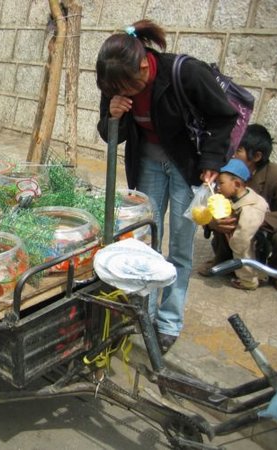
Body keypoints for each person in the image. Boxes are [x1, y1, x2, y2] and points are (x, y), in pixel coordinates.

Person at [96, 20, 239, 354]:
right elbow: (109, 134)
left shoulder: (185, 72)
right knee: (144, 241)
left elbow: (224, 116)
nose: (125, 93)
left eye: (130, 87)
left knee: (179, 247)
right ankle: (142, 316)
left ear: (145, 63)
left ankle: (169, 322)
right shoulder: (116, 82)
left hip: (187, 167)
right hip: (147, 162)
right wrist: (113, 116)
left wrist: (212, 163)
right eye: (117, 90)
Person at [199, 124, 277, 292]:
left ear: (257, 156)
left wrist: (251, 220)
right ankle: (223, 260)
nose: (233, 155)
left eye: (239, 151)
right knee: (224, 216)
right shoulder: (227, 171)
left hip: (264, 229)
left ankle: (276, 271)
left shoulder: (276, 175)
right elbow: (212, 203)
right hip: (234, 233)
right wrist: (213, 223)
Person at [214, 159, 268, 290]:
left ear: (237, 184)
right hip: (252, 236)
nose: (218, 187)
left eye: (221, 183)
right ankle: (260, 275)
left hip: (251, 238)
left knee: (245, 256)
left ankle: (248, 282)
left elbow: (243, 236)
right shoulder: (242, 196)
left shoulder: (250, 208)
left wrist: (235, 243)